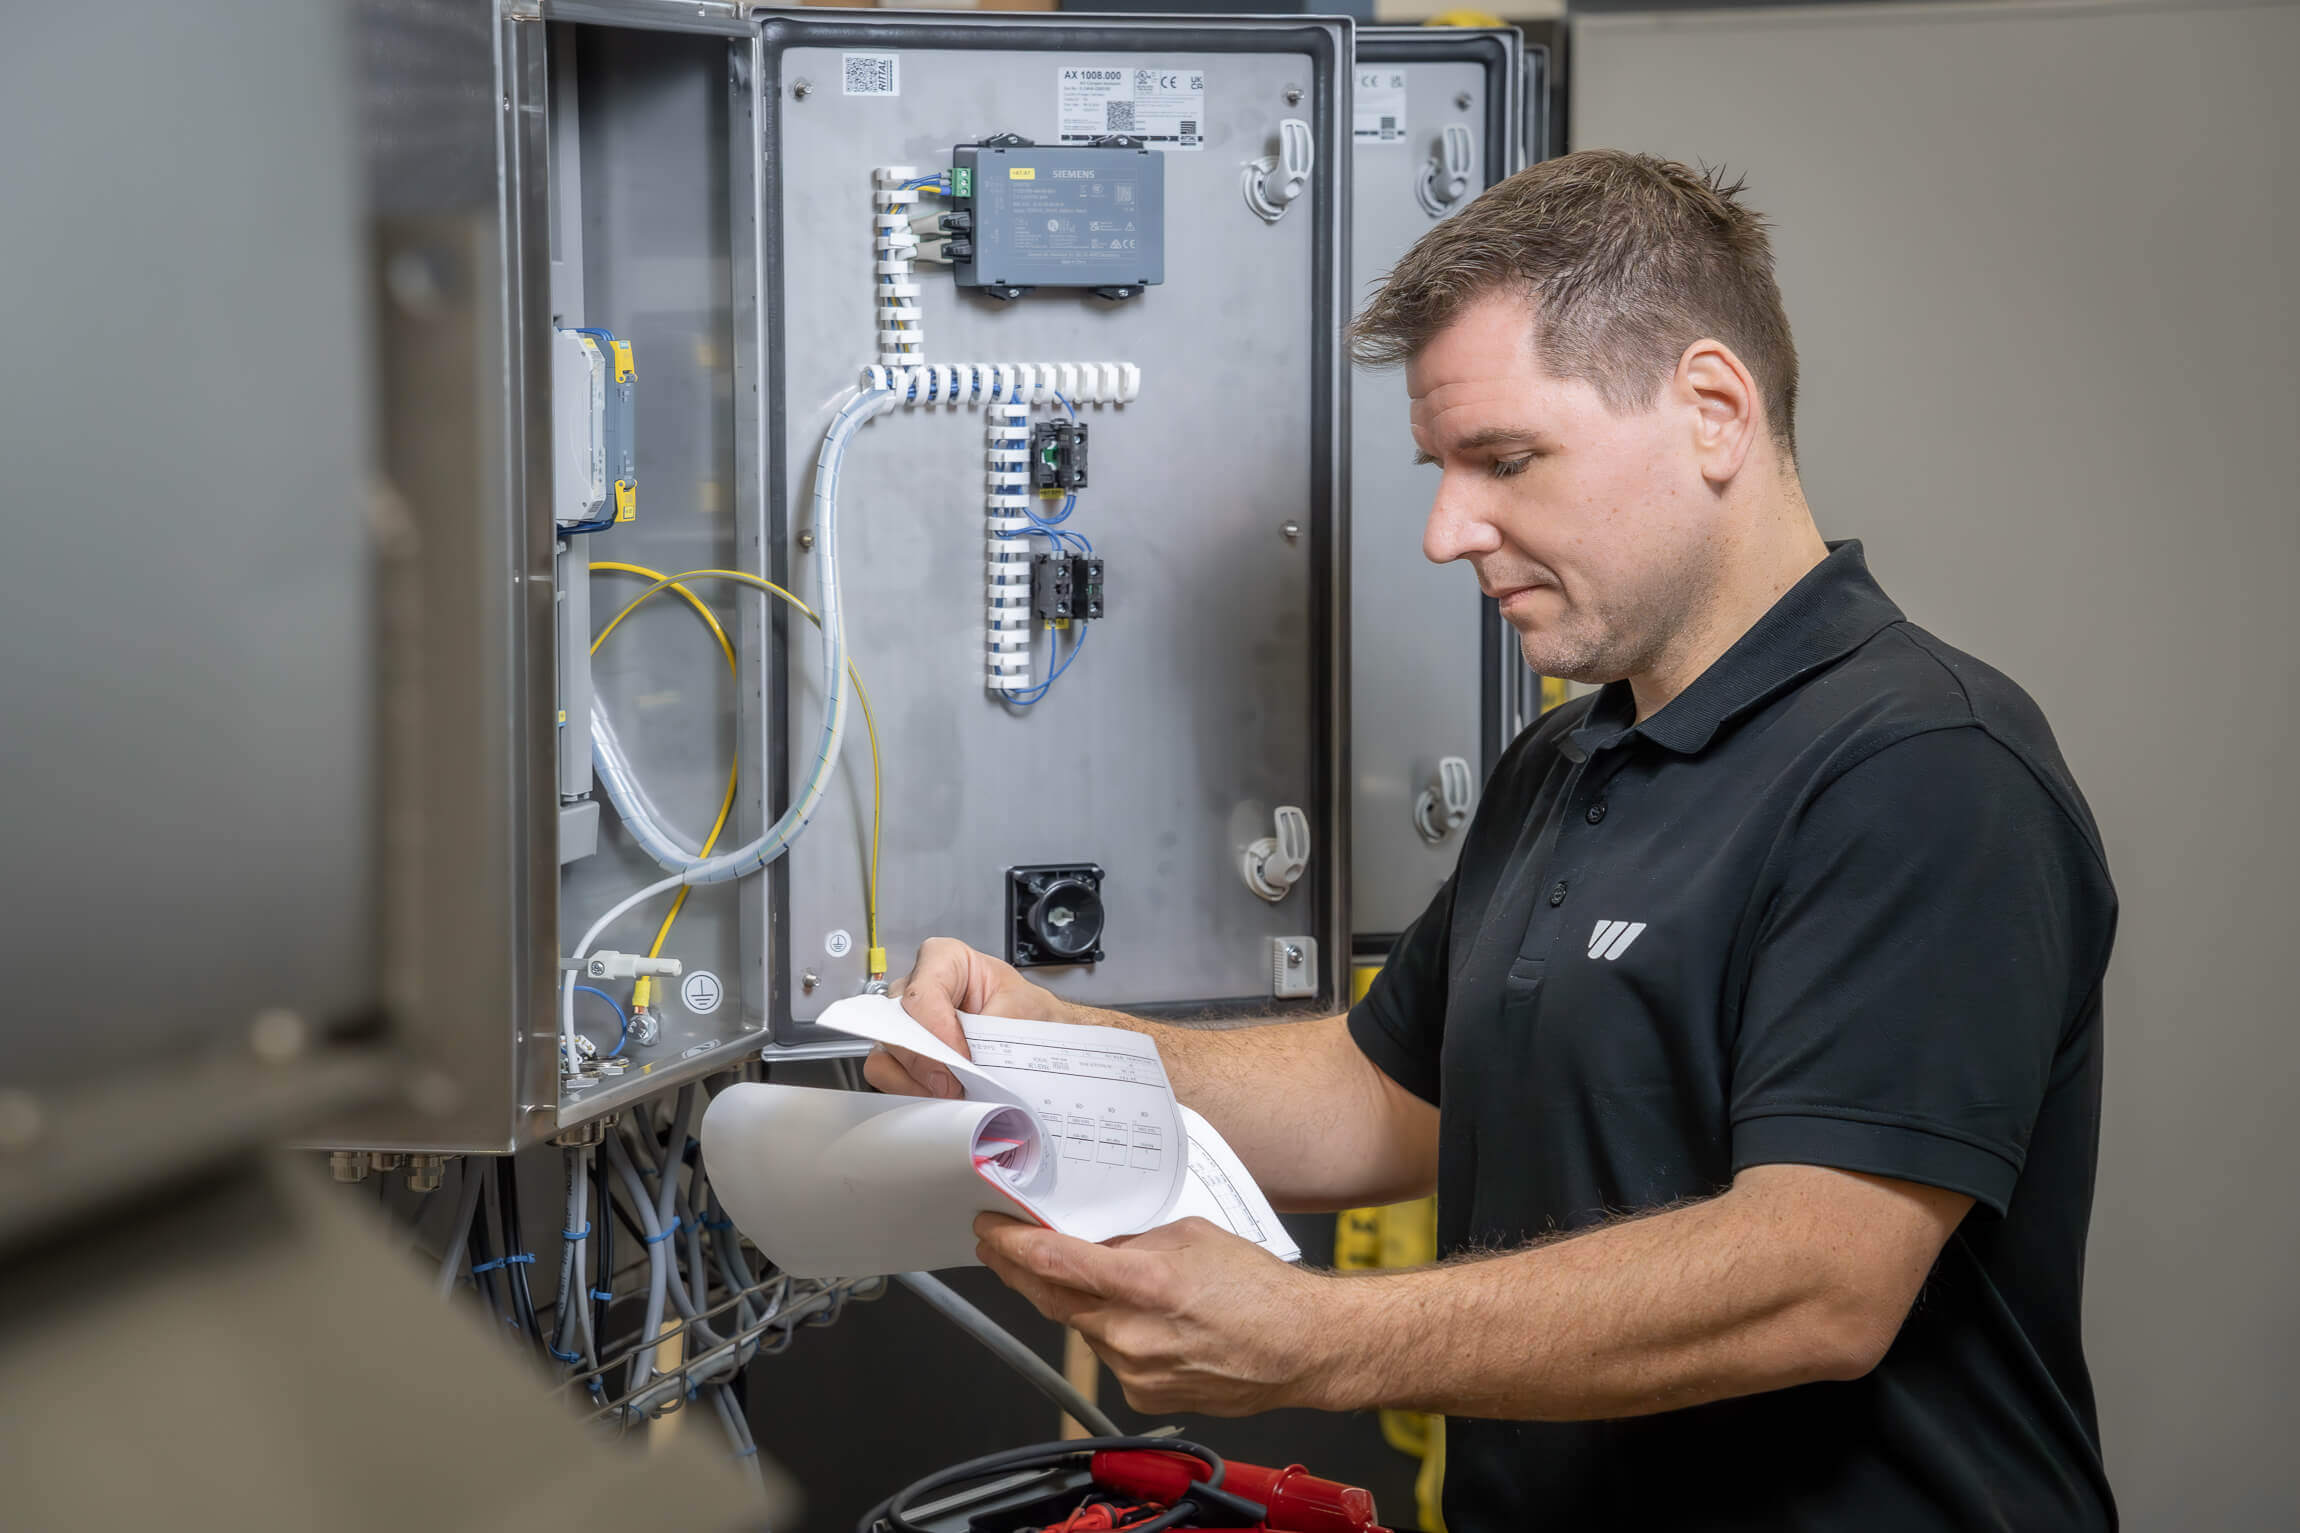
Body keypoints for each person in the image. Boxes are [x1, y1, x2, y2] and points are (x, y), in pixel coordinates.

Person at [866, 150, 2118, 1531]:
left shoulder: (1925, 768)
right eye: (1441, 467)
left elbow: (1821, 1274)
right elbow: (1380, 1092)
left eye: (1506, 459)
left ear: (1712, 409)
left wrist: (1315, 1335)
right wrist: (1045, 1045)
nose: (1449, 529)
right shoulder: (1571, 754)